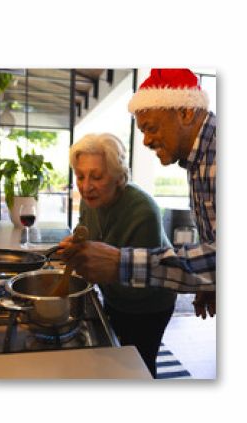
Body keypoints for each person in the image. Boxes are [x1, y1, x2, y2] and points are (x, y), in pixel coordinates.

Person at [59, 68, 216, 319]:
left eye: (151, 128)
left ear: (186, 113)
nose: (144, 141)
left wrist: (117, 263)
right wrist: (211, 282)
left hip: (147, 306)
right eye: (142, 131)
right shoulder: (199, 161)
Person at [61, 132, 176, 377]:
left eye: (97, 176)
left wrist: (89, 264)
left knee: (139, 367)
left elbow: (141, 288)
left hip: (150, 304)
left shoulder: (143, 210)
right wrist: (77, 244)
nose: (86, 186)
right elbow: (88, 234)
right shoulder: (88, 200)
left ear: (118, 175)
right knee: (116, 360)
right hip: (114, 296)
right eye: (80, 176)